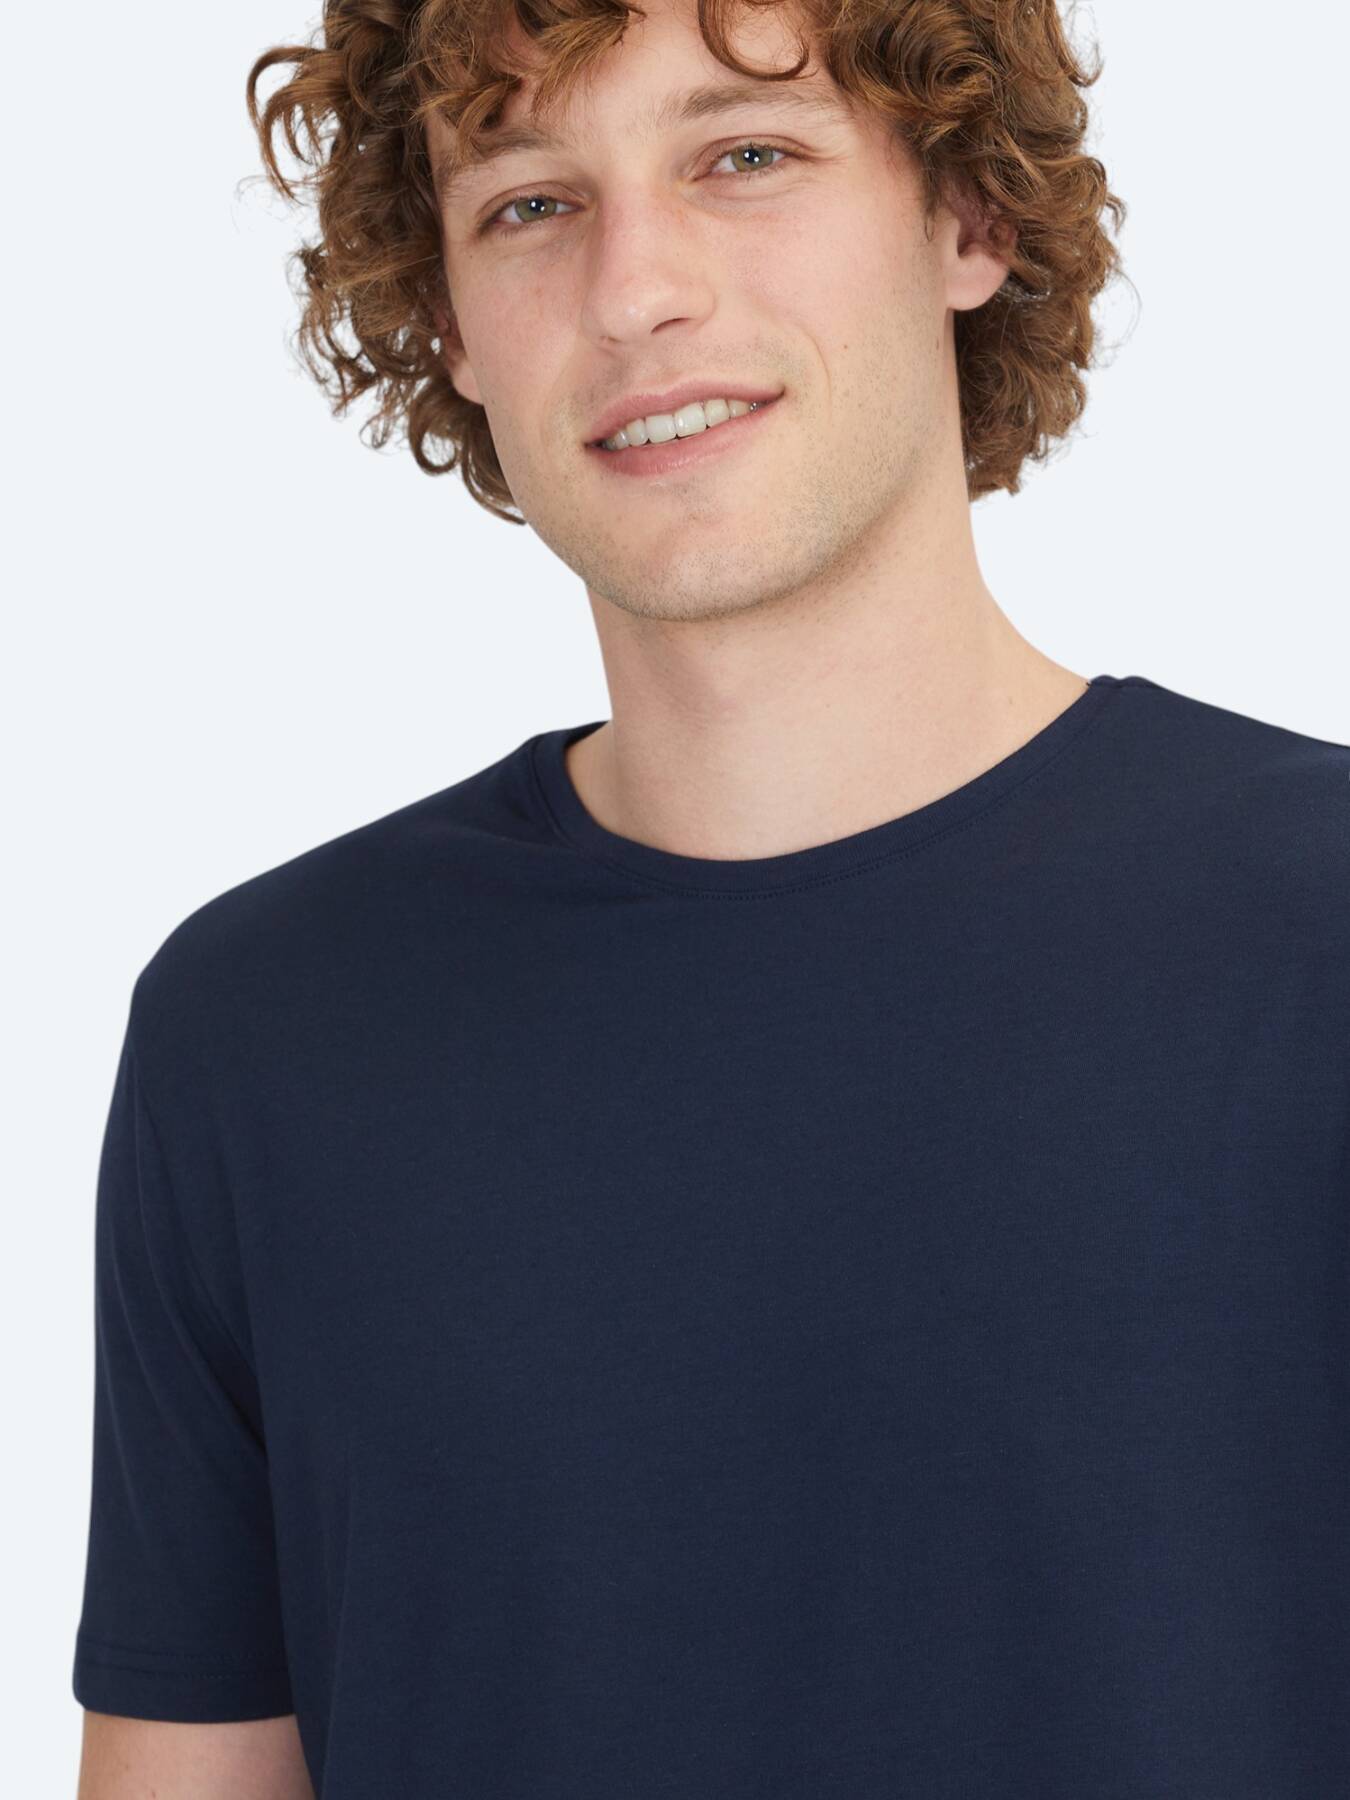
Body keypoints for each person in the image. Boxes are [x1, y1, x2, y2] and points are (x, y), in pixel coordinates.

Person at [71, 0, 1349, 1793]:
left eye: (744, 156)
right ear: (449, 320)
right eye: (528, 202)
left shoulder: (1314, 939)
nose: (633, 291)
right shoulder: (265, 1031)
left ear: (969, 217)